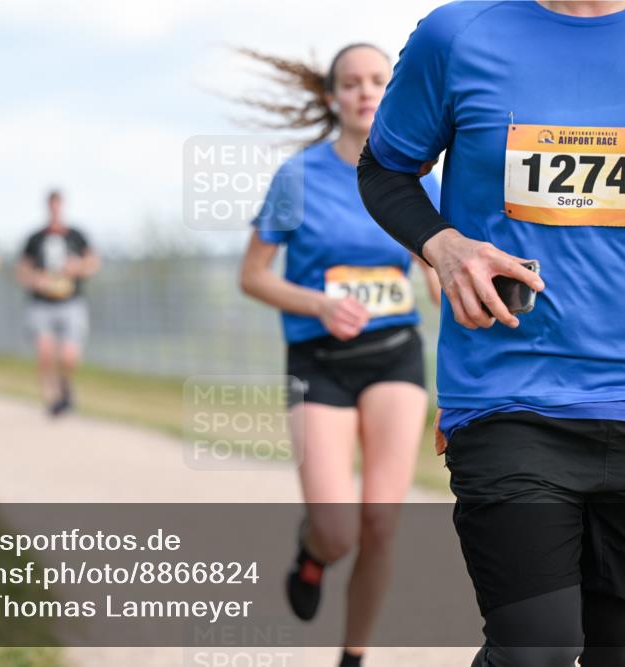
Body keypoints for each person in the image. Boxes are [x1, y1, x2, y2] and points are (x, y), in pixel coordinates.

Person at [357, 2, 625, 665]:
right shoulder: (459, 34)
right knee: (535, 648)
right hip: (511, 396)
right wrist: (443, 245)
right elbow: (383, 168)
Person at [237, 44, 442, 667]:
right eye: (351, 83)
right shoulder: (297, 177)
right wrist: (319, 305)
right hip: (319, 361)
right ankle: (312, 553)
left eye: (378, 80)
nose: (365, 91)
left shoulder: (417, 178)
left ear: (392, 91)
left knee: (381, 523)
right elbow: (253, 276)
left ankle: (353, 656)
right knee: (337, 530)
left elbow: (436, 268)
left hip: (395, 356)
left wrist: (450, 282)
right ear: (332, 97)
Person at [16, 189, 100, 416]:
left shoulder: (76, 236)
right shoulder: (35, 238)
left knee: (68, 356)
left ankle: (65, 386)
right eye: (52, 205)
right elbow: (22, 272)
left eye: (58, 205)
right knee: (45, 351)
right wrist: (36, 280)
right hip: (41, 304)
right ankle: (51, 396)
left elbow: (93, 263)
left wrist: (78, 267)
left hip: (70, 303)